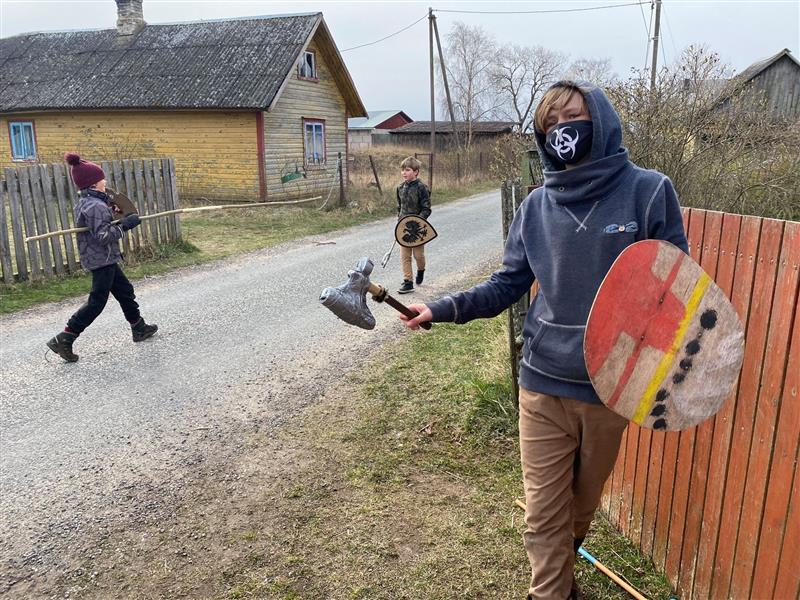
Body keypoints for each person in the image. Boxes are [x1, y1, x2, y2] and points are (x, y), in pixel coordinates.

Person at [400, 81, 688, 599]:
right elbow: (507, 284)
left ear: (599, 122)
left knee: (578, 507)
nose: (563, 131)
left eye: (574, 118)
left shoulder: (648, 191)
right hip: (542, 384)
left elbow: (675, 286)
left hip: (608, 389)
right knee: (541, 513)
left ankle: (565, 573)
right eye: (551, 124)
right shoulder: (536, 207)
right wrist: (439, 308)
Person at [47, 153, 158, 363]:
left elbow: (103, 221)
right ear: (94, 183)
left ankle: (139, 327)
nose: (105, 181)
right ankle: (65, 337)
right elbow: (103, 236)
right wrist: (125, 226)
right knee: (97, 302)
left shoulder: (90, 203)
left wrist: (118, 212)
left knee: (125, 291)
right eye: (102, 179)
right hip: (101, 259)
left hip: (105, 258)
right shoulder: (95, 207)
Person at [396, 156, 431, 294]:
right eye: (402, 170)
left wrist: (418, 221)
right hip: (404, 228)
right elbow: (400, 207)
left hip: (417, 229)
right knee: (405, 256)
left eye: (408, 170)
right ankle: (408, 281)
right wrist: (399, 221)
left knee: (418, 256)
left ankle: (421, 270)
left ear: (416, 172)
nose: (404, 173)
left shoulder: (422, 188)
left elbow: (426, 208)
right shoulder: (400, 188)